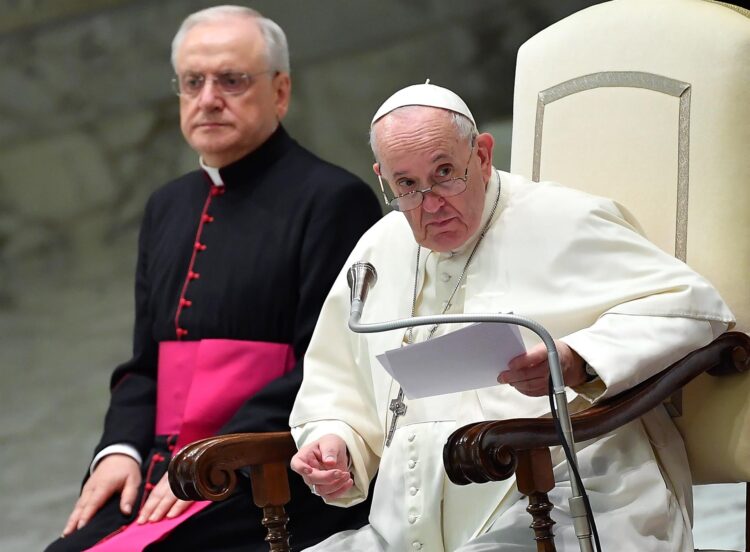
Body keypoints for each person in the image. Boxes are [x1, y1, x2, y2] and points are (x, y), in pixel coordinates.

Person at [289, 82, 735, 551]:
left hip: (568, 499)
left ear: (481, 155)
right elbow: (337, 384)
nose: (430, 202)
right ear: (383, 178)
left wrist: (577, 358)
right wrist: (335, 441)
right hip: (405, 528)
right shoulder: (378, 249)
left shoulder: (561, 218)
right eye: (407, 186)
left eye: (445, 172)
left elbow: (689, 305)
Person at [47, 6, 381, 552]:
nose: (208, 98)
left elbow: (335, 366)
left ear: (280, 91)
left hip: (266, 470)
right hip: (163, 471)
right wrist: (118, 451)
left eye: (231, 80)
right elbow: (144, 366)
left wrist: (219, 451)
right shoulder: (166, 207)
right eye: (192, 82)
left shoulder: (332, 200)